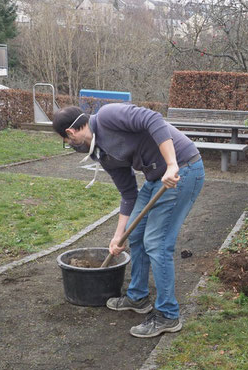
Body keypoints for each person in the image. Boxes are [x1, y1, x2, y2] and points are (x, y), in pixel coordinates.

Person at [52, 103, 205, 338]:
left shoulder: (108, 116)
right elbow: (129, 194)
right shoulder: (102, 153)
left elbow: (153, 119)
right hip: (155, 179)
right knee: (135, 234)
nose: (69, 145)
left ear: (70, 133)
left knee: (157, 242)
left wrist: (172, 164)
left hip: (182, 170)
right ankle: (138, 297)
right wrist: (117, 235)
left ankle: (168, 315)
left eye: (66, 140)